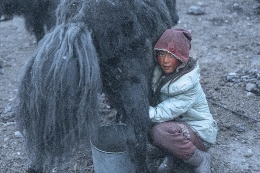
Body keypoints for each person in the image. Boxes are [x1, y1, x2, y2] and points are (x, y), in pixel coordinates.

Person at [149, 28, 218, 173]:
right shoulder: (162, 73)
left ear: (181, 58)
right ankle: (175, 153)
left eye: (171, 55)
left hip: (199, 133)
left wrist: (135, 110)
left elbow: (159, 114)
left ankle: (200, 158)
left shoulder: (187, 86)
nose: (165, 61)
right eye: (161, 54)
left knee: (158, 132)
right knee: (152, 129)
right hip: (179, 124)